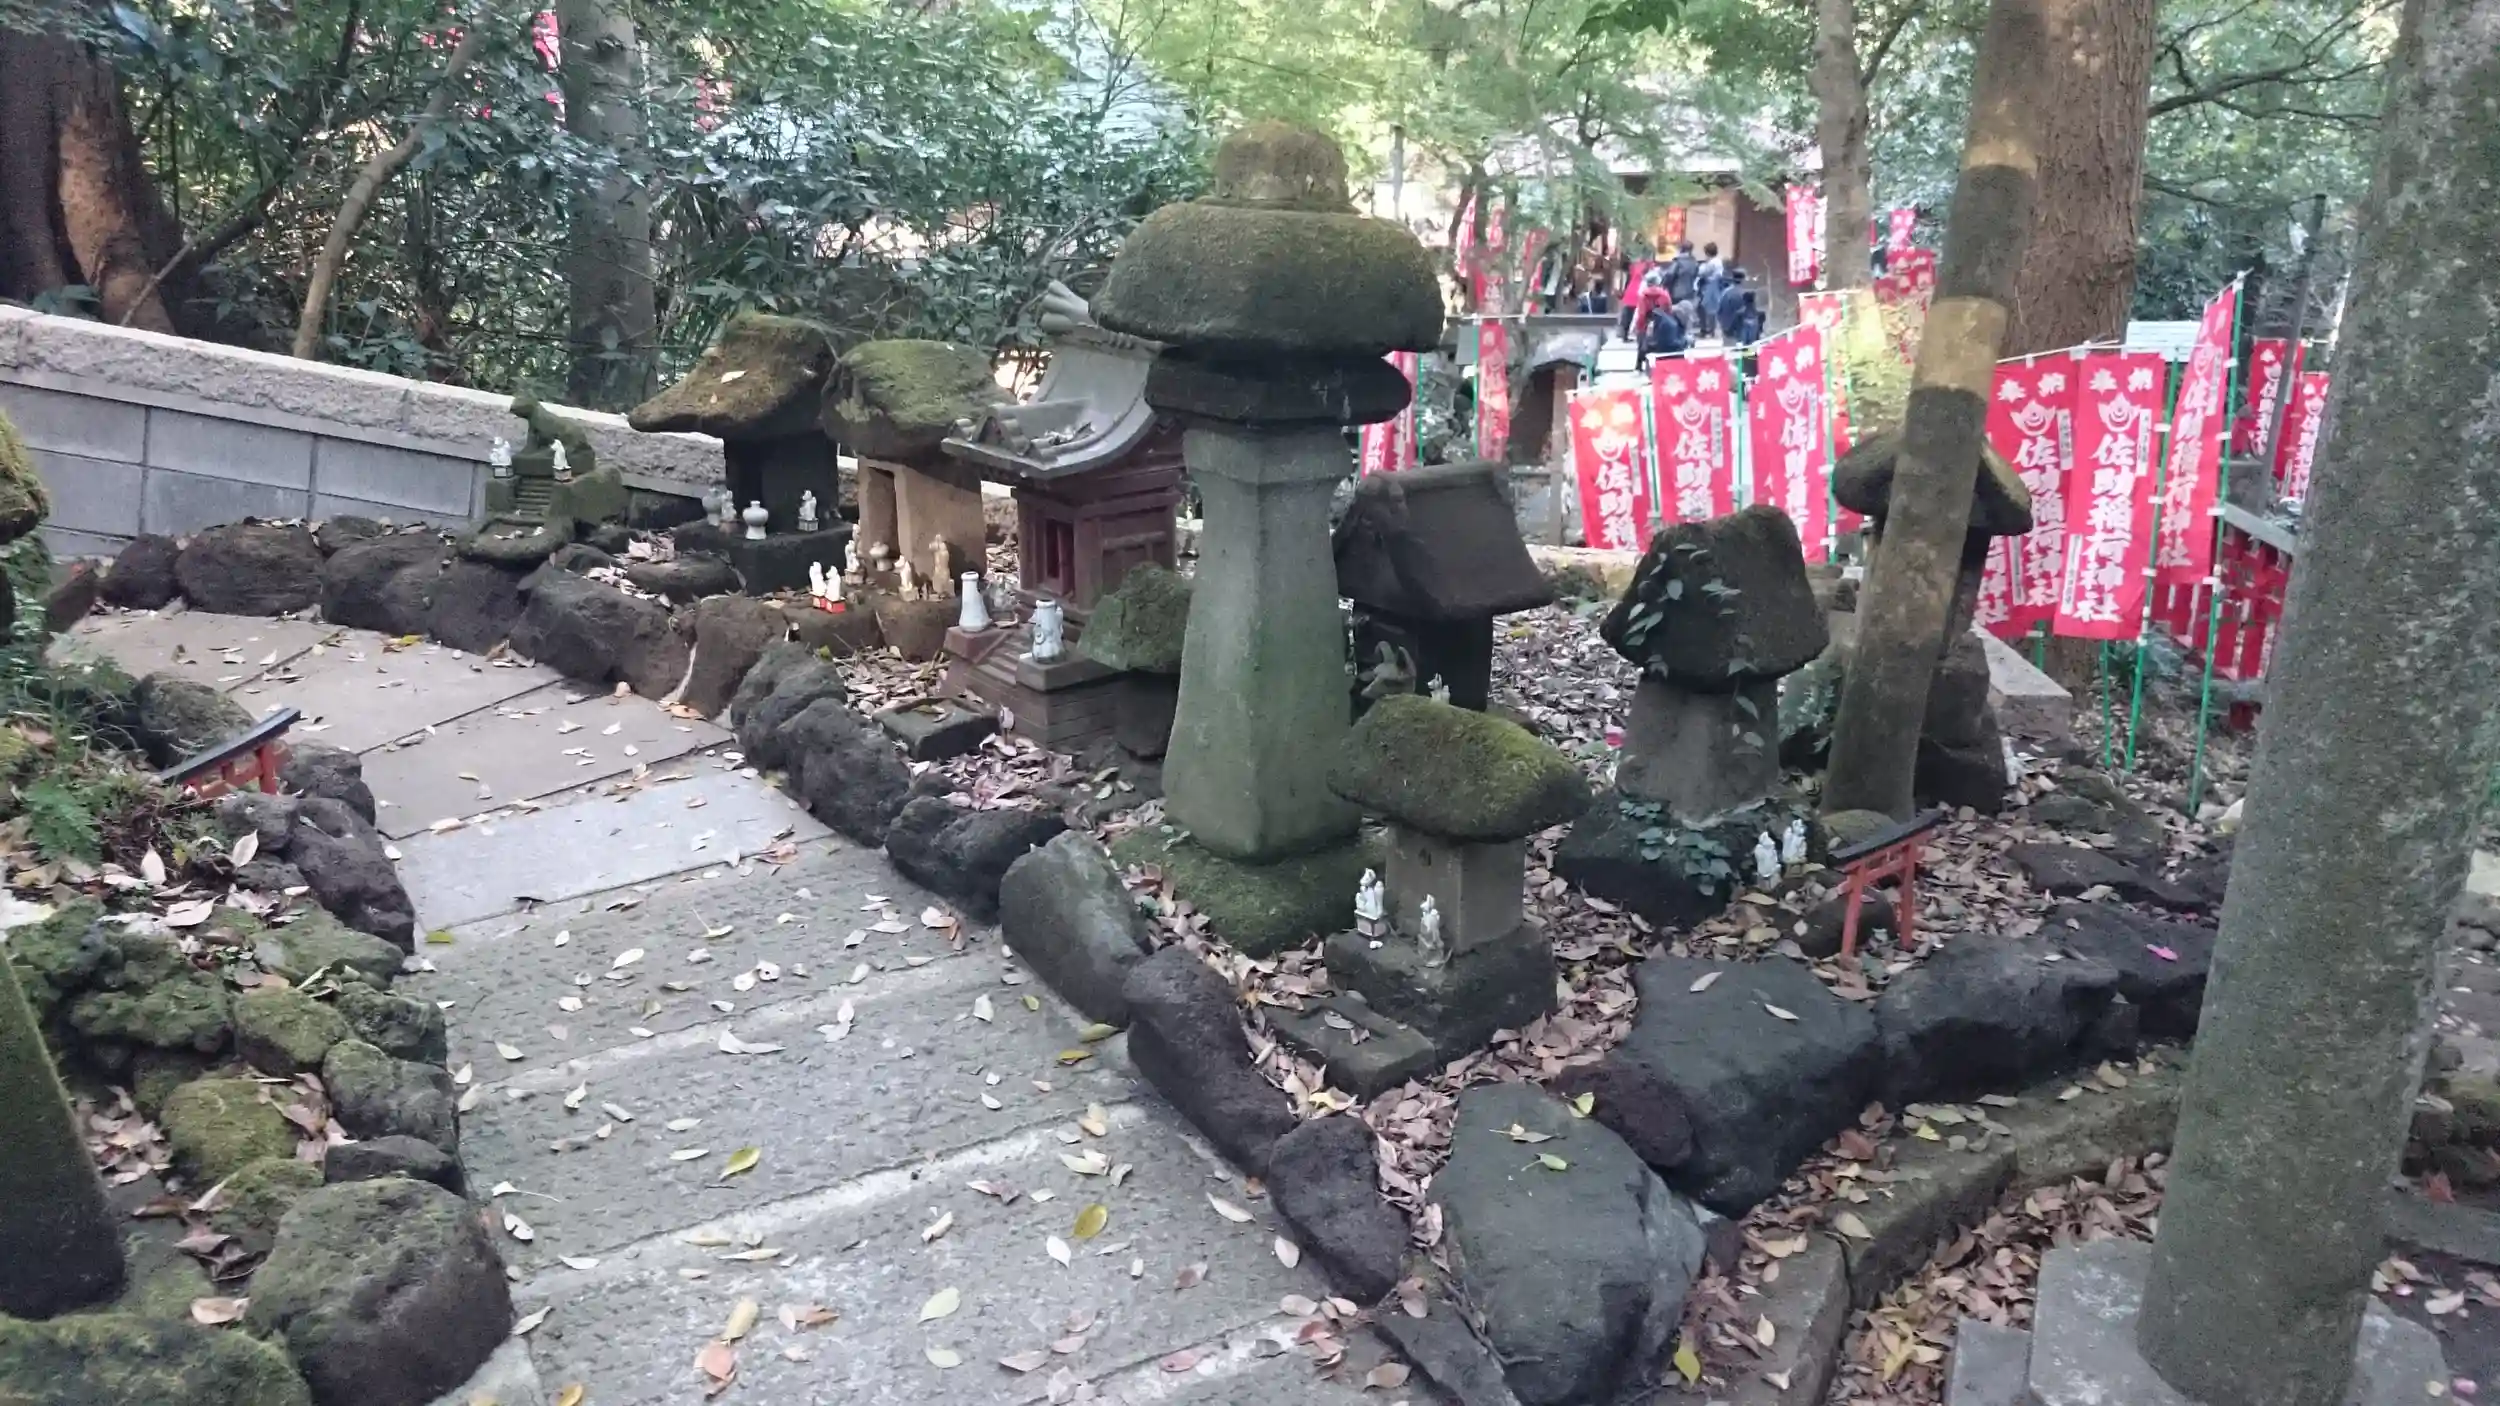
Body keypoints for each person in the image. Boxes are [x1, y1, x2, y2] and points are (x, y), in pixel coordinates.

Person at [1694, 242, 1727, 336]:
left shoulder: (1711, 263)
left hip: (1708, 286)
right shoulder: (1718, 261)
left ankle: (1706, 329)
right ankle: (1711, 329)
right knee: (1712, 308)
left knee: (1704, 308)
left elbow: (1701, 272)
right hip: (1716, 286)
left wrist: (1702, 265)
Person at [1664, 242, 1699, 306]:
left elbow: (1669, 275)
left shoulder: (1678, 261)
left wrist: (1664, 285)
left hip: (1677, 293)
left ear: (1681, 249)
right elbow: (1696, 274)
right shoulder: (1694, 262)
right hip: (1689, 293)